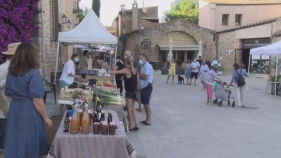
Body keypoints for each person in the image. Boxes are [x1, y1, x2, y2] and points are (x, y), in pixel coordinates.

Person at [4, 42, 52, 158]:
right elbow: (36, 99)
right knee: (30, 144)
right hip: (29, 111)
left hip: (15, 109)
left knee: (15, 143)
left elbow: (9, 96)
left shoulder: (11, 72)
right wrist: (46, 117)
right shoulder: (33, 72)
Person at [106, 56, 139, 131]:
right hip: (134, 91)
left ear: (126, 62)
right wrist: (137, 90)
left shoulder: (127, 70)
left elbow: (117, 72)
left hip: (129, 92)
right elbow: (137, 81)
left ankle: (130, 126)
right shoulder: (135, 70)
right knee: (133, 109)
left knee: (129, 109)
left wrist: (107, 72)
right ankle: (136, 124)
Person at [0, 42, 20, 153]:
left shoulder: (12, 68)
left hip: (11, 110)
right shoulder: (4, 69)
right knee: (4, 147)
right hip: (4, 114)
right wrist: (4, 109)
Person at [139, 53, 153, 125]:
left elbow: (145, 77)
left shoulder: (147, 66)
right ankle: (146, 119)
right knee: (145, 103)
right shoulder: (143, 66)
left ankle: (149, 120)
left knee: (146, 104)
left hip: (146, 86)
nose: (140, 60)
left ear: (145, 58)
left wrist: (140, 76)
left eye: (141, 58)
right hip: (143, 86)